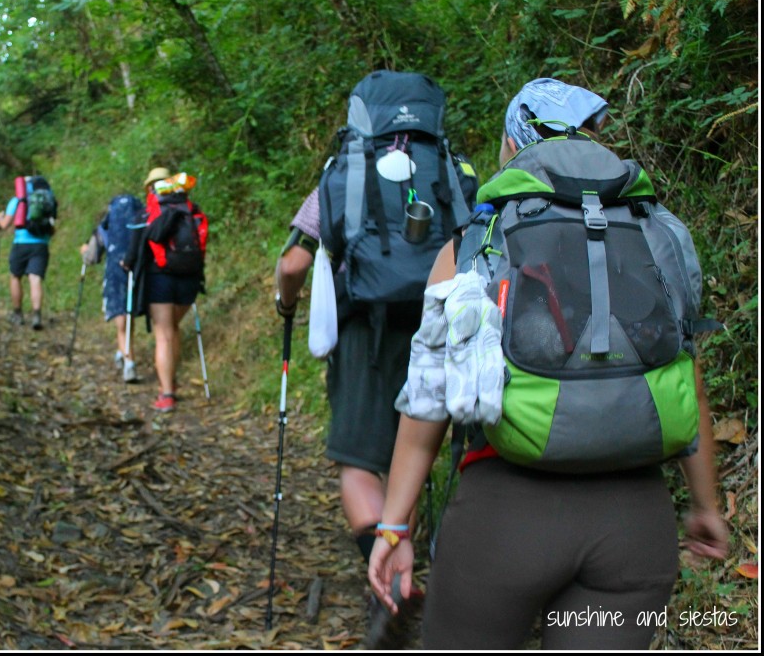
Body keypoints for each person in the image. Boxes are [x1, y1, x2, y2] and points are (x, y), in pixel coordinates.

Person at [367, 78, 729, 650]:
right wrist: (707, 506)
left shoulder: (476, 242)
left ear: (512, 147)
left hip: (504, 520)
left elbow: (428, 401)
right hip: (635, 526)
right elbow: (691, 383)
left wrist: (393, 527)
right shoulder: (660, 232)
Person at [275, 70, 478, 649]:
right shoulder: (453, 170)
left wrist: (285, 304)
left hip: (365, 332)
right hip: (439, 327)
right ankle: (419, 556)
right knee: (419, 452)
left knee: (360, 464)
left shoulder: (345, 171)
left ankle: (389, 572)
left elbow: (293, 265)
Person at [124, 168, 208, 413]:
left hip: (159, 279)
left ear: (151, 187)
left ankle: (167, 393)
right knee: (174, 329)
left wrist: (128, 263)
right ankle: (171, 381)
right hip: (190, 279)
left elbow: (134, 252)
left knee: (164, 334)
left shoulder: (149, 212)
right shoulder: (192, 209)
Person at [81, 192, 145, 382]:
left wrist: (85, 251)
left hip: (115, 270)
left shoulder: (105, 225)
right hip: (137, 268)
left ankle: (129, 362)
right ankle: (124, 354)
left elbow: (92, 256)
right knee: (129, 313)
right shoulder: (142, 217)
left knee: (121, 315)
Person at [0, 177, 55, 330]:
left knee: (15, 276)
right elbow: (53, 225)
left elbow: (5, 224)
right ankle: (36, 315)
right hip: (41, 244)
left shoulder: (18, 200)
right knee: (35, 279)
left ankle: (18, 314)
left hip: (21, 243)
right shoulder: (49, 199)